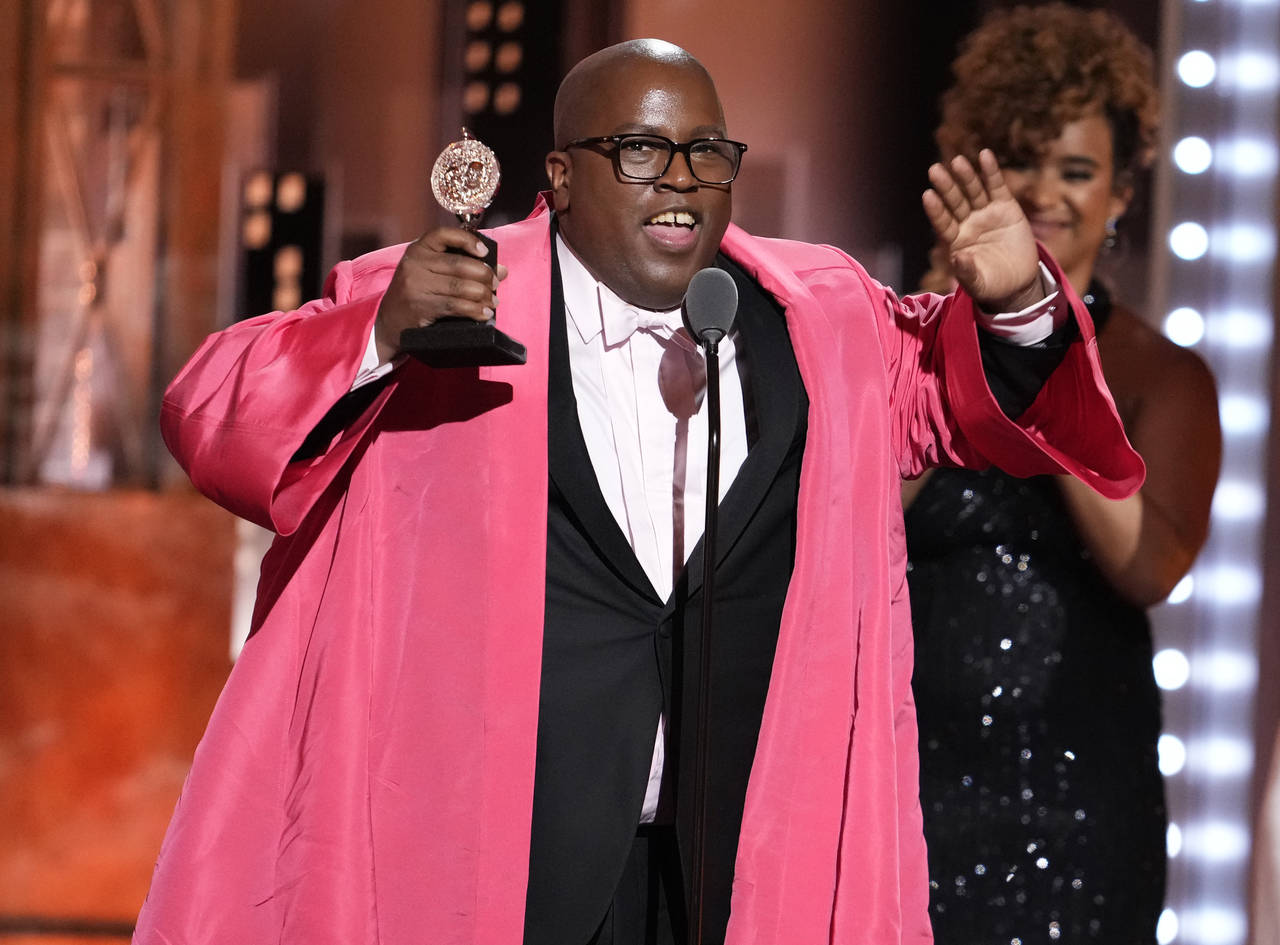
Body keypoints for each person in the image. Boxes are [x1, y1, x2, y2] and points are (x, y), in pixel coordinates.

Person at [135, 38, 1142, 945]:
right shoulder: (447, 295)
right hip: (499, 858)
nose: (682, 182)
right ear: (561, 176)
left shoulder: (818, 319)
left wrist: (1013, 303)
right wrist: (377, 339)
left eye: (708, 154)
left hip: (733, 861)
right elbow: (212, 408)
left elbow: (967, 404)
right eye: (643, 151)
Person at [903, 6, 1222, 943]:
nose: (1047, 191)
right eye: (1024, 162)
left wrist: (1046, 355)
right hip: (910, 774)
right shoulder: (914, 336)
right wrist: (944, 338)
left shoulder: (1162, 375)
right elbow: (854, 524)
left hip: (1080, 796)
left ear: (1121, 192)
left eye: (1077, 170)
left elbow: (1148, 568)